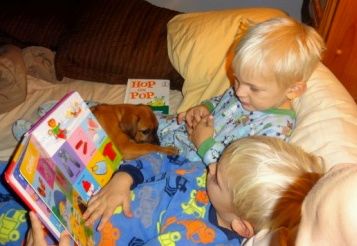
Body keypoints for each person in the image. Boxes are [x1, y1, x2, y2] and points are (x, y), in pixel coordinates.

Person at [81, 136, 325, 245]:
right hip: (101, 190)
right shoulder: (207, 173)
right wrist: (123, 178)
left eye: (218, 177)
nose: (211, 165)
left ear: (241, 226)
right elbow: (161, 160)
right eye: (220, 160)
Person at [157, 16, 325, 165]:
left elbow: (236, 176)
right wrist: (204, 108)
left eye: (254, 88)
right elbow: (221, 100)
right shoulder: (245, 92)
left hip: (187, 162)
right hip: (174, 132)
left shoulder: (274, 131)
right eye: (237, 79)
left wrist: (205, 144)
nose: (239, 92)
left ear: (293, 90)